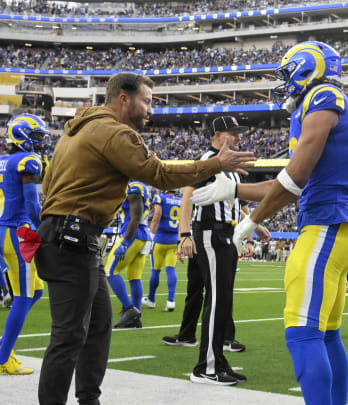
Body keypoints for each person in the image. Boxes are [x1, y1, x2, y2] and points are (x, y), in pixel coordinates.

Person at [34, 72, 255, 404]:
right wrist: (214, 165)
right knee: (68, 335)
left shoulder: (76, 132)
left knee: (96, 327)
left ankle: (88, 400)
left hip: (68, 234)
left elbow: (50, 186)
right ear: (124, 99)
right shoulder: (114, 132)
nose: (152, 109)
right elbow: (160, 175)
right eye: (147, 101)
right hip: (73, 237)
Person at [193, 41, 348, 404]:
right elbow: (286, 181)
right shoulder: (327, 102)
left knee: (302, 333)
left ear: (307, 70)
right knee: (326, 335)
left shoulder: (324, 97)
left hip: (325, 227)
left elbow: (295, 177)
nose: (286, 84)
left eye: (288, 75)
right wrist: (234, 189)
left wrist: (250, 222)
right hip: (336, 227)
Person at [171, 115, 258, 386]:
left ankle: (217, 360)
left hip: (226, 232)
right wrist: (184, 234)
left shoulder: (227, 165)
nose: (238, 138)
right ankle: (206, 367)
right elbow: (187, 197)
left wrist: (253, 223)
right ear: (218, 134)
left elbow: (234, 199)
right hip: (210, 231)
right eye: (233, 133)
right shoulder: (208, 159)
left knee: (224, 301)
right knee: (217, 299)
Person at [0, 114, 49, 375]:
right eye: (36, 136)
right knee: (22, 297)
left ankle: (3, 346)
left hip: (2, 231)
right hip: (17, 232)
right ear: (22, 134)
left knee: (35, 291)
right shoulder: (26, 161)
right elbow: (33, 205)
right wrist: (46, 228)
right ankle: (2, 359)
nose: (39, 142)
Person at [104, 180, 153, 328]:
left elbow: (135, 218)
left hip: (133, 235)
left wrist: (125, 242)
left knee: (110, 271)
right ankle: (135, 318)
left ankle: (129, 309)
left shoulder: (134, 188)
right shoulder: (137, 187)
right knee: (134, 277)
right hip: (143, 236)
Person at [146, 189, 182, 312]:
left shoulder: (160, 198)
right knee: (171, 269)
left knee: (155, 270)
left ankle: (151, 299)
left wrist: (150, 237)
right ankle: (171, 301)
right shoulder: (180, 201)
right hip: (174, 240)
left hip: (160, 239)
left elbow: (156, 217)